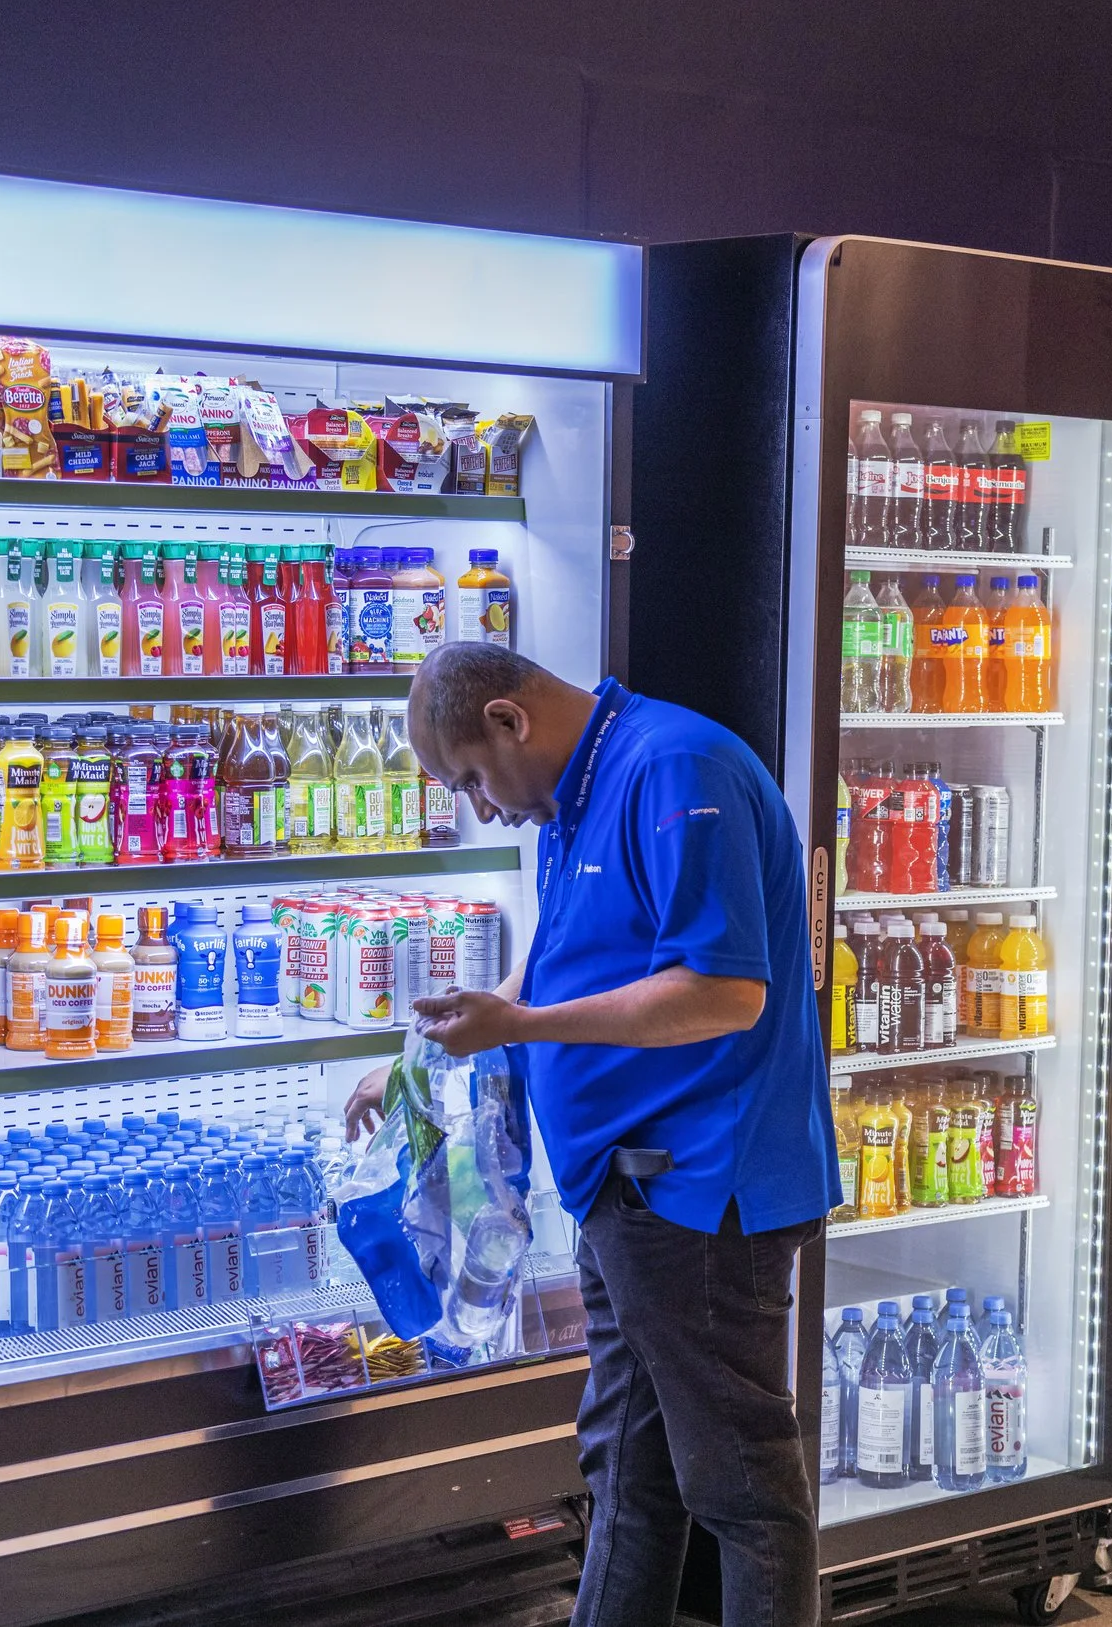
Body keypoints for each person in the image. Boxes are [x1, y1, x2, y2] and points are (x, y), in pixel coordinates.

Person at [346, 642, 837, 1627]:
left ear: (507, 719)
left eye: (473, 780)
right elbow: (561, 961)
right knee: (629, 1471)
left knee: (741, 1488)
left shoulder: (671, 770)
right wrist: (425, 1057)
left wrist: (519, 1028)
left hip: (699, 1189)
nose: (484, 807)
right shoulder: (574, 793)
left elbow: (724, 992)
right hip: (625, 1188)